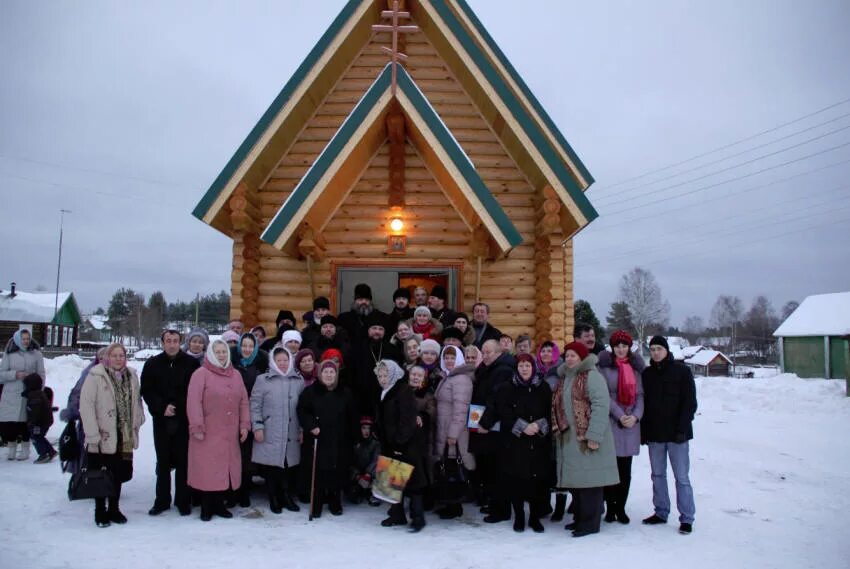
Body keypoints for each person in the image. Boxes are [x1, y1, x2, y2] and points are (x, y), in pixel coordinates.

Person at [552, 341, 619, 537]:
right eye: (568, 355)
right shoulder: (565, 377)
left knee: (590, 483)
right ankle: (580, 518)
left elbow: (601, 406)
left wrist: (594, 435)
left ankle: (590, 523)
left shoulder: (592, 376)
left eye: (574, 355)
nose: (570, 358)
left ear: (582, 358)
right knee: (578, 483)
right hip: (570, 440)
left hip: (587, 438)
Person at [482, 354, 552, 533]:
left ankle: (535, 518)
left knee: (536, 482)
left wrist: (538, 425)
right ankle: (519, 517)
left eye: (527, 365)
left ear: (533, 367)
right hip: (515, 441)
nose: (524, 369)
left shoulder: (543, 387)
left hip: (538, 441)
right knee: (517, 481)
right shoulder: (507, 388)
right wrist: (522, 426)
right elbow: (503, 411)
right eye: (521, 365)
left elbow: (550, 410)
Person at [80, 343, 145, 527]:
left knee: (118, 473)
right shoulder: (96, 376)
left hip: (124, 434)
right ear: (107, 357)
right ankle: (100, 511)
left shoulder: (131, 375)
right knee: (101, 473)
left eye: (121, 355)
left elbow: (136, 401)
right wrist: (92, 434)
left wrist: (138, 419)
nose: (118, 359)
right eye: (114, 355)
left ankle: (114, 508)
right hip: (103, 435)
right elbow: (86, 406)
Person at [187, 339, 250, 522]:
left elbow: (244, 401)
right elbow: (193, 401)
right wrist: (197, 425)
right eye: (218, 352)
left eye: (224, 351)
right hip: (208, 430)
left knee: (224, 469)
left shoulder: (236, 375)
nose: (222, 354)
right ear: (211, 354)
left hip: (229, 431)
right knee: (209, 469)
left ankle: (219, 505)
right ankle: (207, 507)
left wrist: (245, 424)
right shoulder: (201, 374)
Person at [641, 336, 697, 535]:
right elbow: (644, 406)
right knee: (657, 475)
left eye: (659, 348)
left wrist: (682, 429)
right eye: (652, 349)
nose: (655, 352)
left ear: (666, 350)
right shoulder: (647, 374)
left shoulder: (682, 372)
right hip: (656, 434)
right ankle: (661, 511)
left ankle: (687, 518)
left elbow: (690, 403)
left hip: (677, 435)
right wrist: (643, 432)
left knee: (681, 477)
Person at [140, 330, 201, 516]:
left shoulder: (191, 363)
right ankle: (162, 500)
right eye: (168, 341)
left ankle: (183, 501)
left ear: (180, 342)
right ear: (162, 343)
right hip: (161, 420)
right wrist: (161, 407)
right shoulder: (152, 364)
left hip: (183, 419)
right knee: (163, 462)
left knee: (183, 461)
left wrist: (177, 406)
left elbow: (194, 390)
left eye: (175, 341)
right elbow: (147, 390)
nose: (172, 344)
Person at [297, 360, 357, 518]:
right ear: (320, 373)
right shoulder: (311, 392)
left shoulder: (345, 392)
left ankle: (334, 501)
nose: (329, 375)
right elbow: (302, 411)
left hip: (339, 440)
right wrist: (311, 425)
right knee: (318, 473)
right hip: (319, 438)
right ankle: (316, 503)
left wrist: (352, 436)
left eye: (332, 372)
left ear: (336, 374)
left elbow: (352, 416)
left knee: (337, 472)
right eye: (326, 372)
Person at [597, 330, 645, 525]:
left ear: (629, 347)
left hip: (631, 425)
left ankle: (621, 508)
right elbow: (604, 394)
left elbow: (641, 395)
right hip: (612, 421)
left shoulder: (635, 368)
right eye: (617, 346)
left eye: (624, 346)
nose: (621, 349)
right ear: (612, 347)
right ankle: (610, 508)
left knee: (625, 470)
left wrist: (635, 416)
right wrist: (620, 415)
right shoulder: (605, 368)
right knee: (611, 469)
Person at [374, 359, 427, 532]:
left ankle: (417, 517)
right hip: (391, 443)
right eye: (380, 375)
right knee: (392, 481)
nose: (382, 379)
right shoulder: (385, 391)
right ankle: (397, 515)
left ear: (394, 374)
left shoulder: (402, 390)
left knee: (412, 481)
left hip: (405, 444)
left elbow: (407, 419)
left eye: (386, 375)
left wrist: (399, 442)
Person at [251, 347, 304, 514]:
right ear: (273, 361)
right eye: (279, 360)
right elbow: (255, 405)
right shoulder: (262, 380)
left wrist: (302, 429)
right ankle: (273, 497)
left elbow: (304, 408)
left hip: (291, 431)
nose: (282, 363)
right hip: (270, 430)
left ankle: (286, 496)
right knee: (272, 467)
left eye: (285, 360)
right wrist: (257, 426)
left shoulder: (298, 380)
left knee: (287, 466)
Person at [470, 339, 514, 522]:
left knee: (497, 470)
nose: (486, 355)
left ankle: (501, 510)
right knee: (488, 468)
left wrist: (485, 423)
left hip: (494, 430)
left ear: (498, 353)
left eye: (489, 352)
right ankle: (494, 503)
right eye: (484, 352)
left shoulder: (502, 371)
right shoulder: (486, 369)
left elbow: (496, 400)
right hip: (484, 426)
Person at [432, 345, 475, 520]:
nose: (449, 361)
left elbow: (460, 410)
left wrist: (453, 433)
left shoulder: (461, 380)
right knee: (448, 468)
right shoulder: (448, 377)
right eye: (446, 358)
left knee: (453, 468)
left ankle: (455, 506)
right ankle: (450, 503)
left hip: (453, 433)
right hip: (445, 428)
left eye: (452, 358)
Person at [230, 332, 270, 507]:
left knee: (246, 455)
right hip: (232, 413)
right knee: (232, 453)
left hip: (252, 412)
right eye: (244, 345)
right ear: (239, 347)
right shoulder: (232, 364)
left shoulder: (260, 365)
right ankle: (231, 491)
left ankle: (243, 492)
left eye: (250, 346)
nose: (247, 349)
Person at [60, 347, 108, 474]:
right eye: (101, 358)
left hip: (109, 422)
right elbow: (76, 393)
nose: (104, 360)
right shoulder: (89, 373)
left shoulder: (117, 373)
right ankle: (83, 478)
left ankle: (107, 481)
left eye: (106, 357)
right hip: (89, 420)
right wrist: (72, 412)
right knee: (87, 450)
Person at [0, 329, 45, 461]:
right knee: (9, 424)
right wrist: (15, 374)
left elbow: (41, 374)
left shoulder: (36, 353)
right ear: (17, 339)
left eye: (27, 338)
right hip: (11, 393)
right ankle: (12, 449)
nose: (26, 341)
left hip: (29, 394)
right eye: (23, 339)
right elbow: (1, 374)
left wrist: (38, 391)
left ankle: (26, 449)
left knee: (26, 423)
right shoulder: (9, 353)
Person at [350, 312, 401, 415]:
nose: (377, 332)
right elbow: (351, 375)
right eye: (374, 328)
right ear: (368, 330)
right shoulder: (356, 349)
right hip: (362, 399)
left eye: (380, 329)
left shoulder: (392, 350)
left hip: (386, 399)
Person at [22, 373, 57, 463]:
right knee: (40, 437)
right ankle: (51, 451)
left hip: (39, 423)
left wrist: (31, 423)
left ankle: (43, 454)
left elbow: (35, 412)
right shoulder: (38, 394)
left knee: (36, 437)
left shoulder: (35, 396)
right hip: (45, 421)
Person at [349, 416, 381, 505]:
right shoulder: (355, 442)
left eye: (369, 428)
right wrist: (358, 476)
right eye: (364, 428)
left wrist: (368, 474)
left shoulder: (376, 443)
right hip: (357, 475)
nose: (366, 431)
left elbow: (376, 459)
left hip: (370, 475)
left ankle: (373, 493)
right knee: (353, 496)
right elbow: (350, 462)